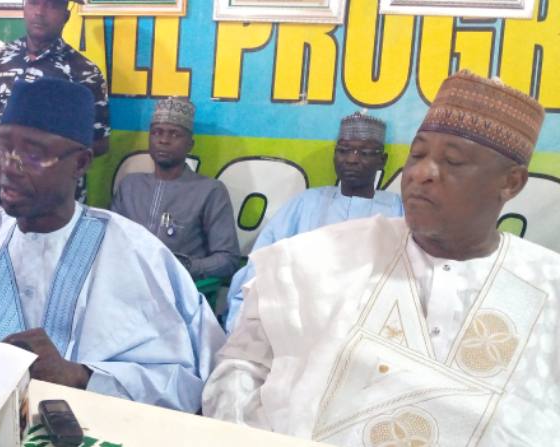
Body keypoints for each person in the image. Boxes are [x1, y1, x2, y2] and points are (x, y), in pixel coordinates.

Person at [203, 70, 559, 445]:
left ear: (511, 182)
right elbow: (242, 367)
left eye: (452, 161)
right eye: (417, 154)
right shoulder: (319, 257)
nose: (421, 173)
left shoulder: (547, 286)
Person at [0, 79, 225, 413]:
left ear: (80, 163)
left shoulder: (137, 254)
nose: (7, 168)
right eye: (1, 149)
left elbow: (182, 383)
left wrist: (80, 376)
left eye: (32, 154)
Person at [224, 111, 403, 331]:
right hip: (300, 318)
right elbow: (262, 264)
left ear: (382, 160)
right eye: (343, 150)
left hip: (366, 323)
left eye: (364, 153)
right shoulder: (306, 203)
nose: (352, 159)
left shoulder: (396, 210)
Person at [0, 0, 109, 203]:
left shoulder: (84, 73)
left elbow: (100, 142)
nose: (40, 12)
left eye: (52, 5)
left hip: (56, 202)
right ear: (24, 8)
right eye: (33, 3)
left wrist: (44, 157)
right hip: (4, 193)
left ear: (66, 16)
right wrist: (9, 149)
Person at [111, 97, 240, 280]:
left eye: (174, 134)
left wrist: (185, 267)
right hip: (126, 283)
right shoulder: (130, 186)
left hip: (177, 290)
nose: (164, 140)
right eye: (157, 133)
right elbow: (111, 242)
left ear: (190, 145)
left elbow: (228, 260)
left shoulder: (210, 191)